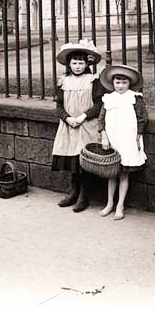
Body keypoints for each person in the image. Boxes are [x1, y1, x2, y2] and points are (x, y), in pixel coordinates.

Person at [51, 39, 103, 212]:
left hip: (86, 125)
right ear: (69, 64)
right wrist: (67, 118)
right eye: (74, 62)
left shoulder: (93, 80)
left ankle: (84, 195)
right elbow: (58, 105)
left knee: (84, 161)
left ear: (87, 63)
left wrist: (82, 116)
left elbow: (98, 104)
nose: (78, 66)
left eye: (81, 63)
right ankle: (73, 191)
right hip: (69, 125)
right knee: (72, 159)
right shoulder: (63, 82)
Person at [98, 63, 148, 221]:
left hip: (128, 138)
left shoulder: (135, 98)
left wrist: (138, 137)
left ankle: (121, 205)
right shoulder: (108, 98)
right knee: (111, 173)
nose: (120, 86)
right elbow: (101, 119)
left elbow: (142, 119)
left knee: (124, 173)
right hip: (112, 138)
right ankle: (109, 203)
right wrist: (103, 136)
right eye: (117, 82)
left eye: (124, 82)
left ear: (130, 83)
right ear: (113, 83)